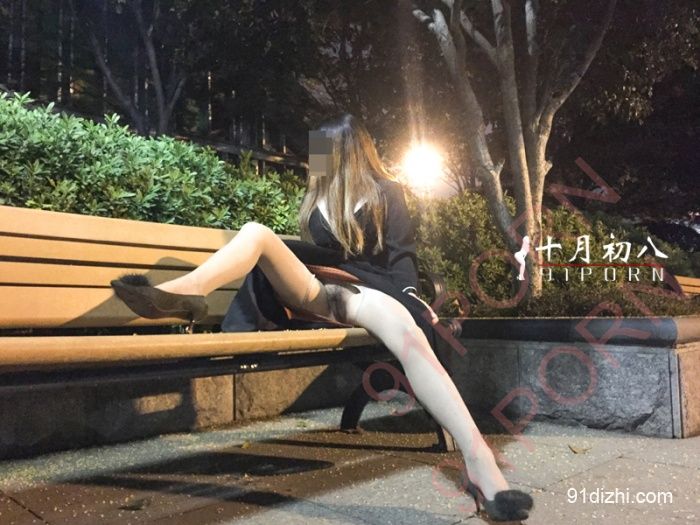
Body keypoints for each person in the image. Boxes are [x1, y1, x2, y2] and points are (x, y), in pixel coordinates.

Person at [110, 113, 533, 521]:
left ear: (348, 151)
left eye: (324, 149)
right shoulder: (316, 201)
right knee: (256, 231)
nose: (317, 158)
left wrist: (411, 299)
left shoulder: (387, 192)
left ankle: (479, 460)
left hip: (364, 292)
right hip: (312, 291)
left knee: (409, 337)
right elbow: (310, 255)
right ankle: (185, 293)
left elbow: (402, 261)